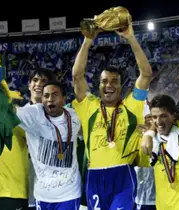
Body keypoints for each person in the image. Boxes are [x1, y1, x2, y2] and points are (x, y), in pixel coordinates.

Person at [71, 21, 153, 209]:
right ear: (99, 85)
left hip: (123, 175)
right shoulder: (88, 106)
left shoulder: (133, 104)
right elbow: (77, 77)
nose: (109, 85)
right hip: (95, 176)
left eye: (114, 81)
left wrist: (130, 37)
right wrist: (87, 40)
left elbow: (146, 75)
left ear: (121, 85)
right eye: (104, 81)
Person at [16, 81, 82, 210]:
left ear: (64, 99)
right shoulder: (34, 115)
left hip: (69, 194)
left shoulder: (75, 117)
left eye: (54, 95)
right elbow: (9, 111)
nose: (50, 99)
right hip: (42, 196)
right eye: (46, 96)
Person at [140, 95, 179, 210]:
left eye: (163, 116)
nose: (158, 121)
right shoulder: (152, 141)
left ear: (174, 115)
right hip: (163, 206)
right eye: (154, 117)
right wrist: (149, 133)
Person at [25, 68, 56, 210]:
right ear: (29, 85)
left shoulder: (60, 114)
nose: (38, 84)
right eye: (35, 80)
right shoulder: (19, 115)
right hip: (27, 183)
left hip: (56, 187)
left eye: (44, 81)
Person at [134, 101, 156, 210]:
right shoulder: (136, 137)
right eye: (145, 118)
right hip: (139, 195)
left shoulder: (164, 135)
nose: (148, 121)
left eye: (151, 118)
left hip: (160, 196)